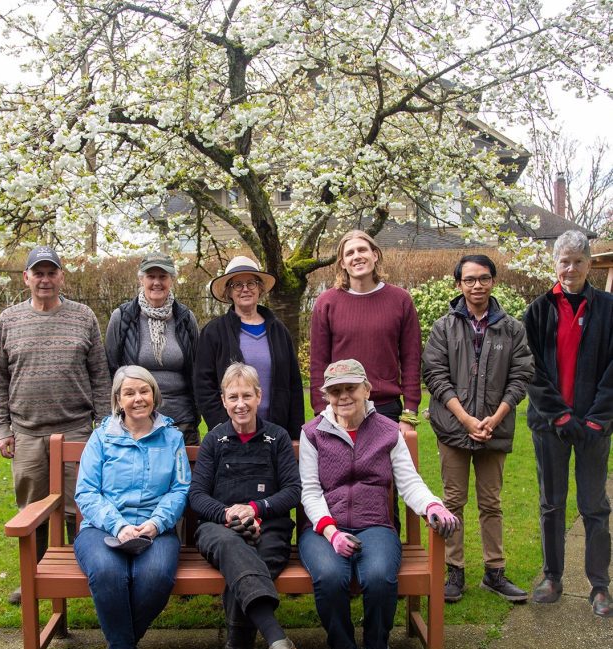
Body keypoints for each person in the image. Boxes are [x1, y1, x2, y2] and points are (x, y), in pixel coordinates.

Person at [298, 359, 457, 649]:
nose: (343, 396)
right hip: (325, 529)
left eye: (350, 388)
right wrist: (331, 531)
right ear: (326, 396)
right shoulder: (313, 433)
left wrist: (432, 505)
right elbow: (310, 491)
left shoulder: (387, 432)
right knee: (329, 576)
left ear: (367, 390)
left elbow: (409, 482)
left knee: (379, 575)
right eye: (335, 391)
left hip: (375, 525)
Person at [0, 245, 111, 605]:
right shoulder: (8, 320)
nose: (45, 279)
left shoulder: (83, 316)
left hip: (76, 430)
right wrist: (1, 428)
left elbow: (100, 376)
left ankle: (87, 571)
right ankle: (34, 577)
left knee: (82, 508)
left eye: (51, 272)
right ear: (26, 278)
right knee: (32, 509)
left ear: (61, 276)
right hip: (27, 432)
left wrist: (103, 426)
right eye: (37, 273)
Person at [189, 363, 302, 649]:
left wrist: (255, 508)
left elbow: (292, 491)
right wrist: (227, 515)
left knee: (245, 574)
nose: (241, 404)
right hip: (219, 528)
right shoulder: (214, 439)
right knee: (233, 550)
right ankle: (274, 636)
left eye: (247, 396)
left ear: (259, 397)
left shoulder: (277, 438)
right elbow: (197, 495)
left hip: (269, 526)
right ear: (223, 401)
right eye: (233, 397)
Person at [73, 366, 191, 649]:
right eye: (129, 393)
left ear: (154, 395)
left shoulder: (171, 437)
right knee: (108, 573)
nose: (137, 398)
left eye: (144, 391)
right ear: (118, 400)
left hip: (157, 529)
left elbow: (180, 489)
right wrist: (119, 525)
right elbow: (86, 492)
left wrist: (155, 523)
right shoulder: (101, 437)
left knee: (155, 576)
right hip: (102, 528)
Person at [422, 254, 534, 604]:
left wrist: (494, 418)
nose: (476, 286)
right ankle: (454, 571)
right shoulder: (444, 328)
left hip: (494, 429)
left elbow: (521, 377)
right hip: (454, 430)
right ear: (458, 284)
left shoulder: (512, 329)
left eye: (483, 278)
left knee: (491, 503)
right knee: (453, 502)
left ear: (493, 281)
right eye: (469, 280)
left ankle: (494, 573)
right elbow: (435, 376)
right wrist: (466, 420)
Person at [524, 230, 612, 618]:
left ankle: (600, 586)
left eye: (578, 260)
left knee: (594, 505)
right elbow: (530, 369)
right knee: (551, 504)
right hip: (550, 426)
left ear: (589, 264)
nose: (571, 267)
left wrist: (596, 419)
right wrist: (558, 414)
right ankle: (552, 576)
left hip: (594, 426)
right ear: (554, 264)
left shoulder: (609, 308)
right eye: (564, 260)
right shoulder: (538, 310)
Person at [309, 229, 422, 528]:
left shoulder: (400, 300)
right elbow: (318, 361)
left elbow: (411, 359)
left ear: (375, 255)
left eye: (363, 250)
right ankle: (340, 553)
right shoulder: (327, 303)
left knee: (387, 491)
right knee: (339, 487)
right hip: (341, 409)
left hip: (385, 409)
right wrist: (323, 413)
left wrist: (409, 412)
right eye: (349, 253)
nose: (357, 256)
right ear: (342, 264)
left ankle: (386, 557)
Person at [194, 256, 304, 440]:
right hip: (233, 433)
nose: (245, 289)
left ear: (260, 288)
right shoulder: (214, 332)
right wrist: (224, 426)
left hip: (276, 431)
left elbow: (293, 384)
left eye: (251, 283)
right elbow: (203, 385)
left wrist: (295, 433)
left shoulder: (279, 331)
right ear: (229, 292)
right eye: (237, 284)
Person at [105, 252, 200, 445]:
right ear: (141, 279)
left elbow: (197, 368)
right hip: (136, 420)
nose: (157, 282)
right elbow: (111, 368)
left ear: (171, 280)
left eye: (163, 277)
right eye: (151, 276)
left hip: (181, 419)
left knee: (184, 475)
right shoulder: (122, 318)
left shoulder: (185, 318)